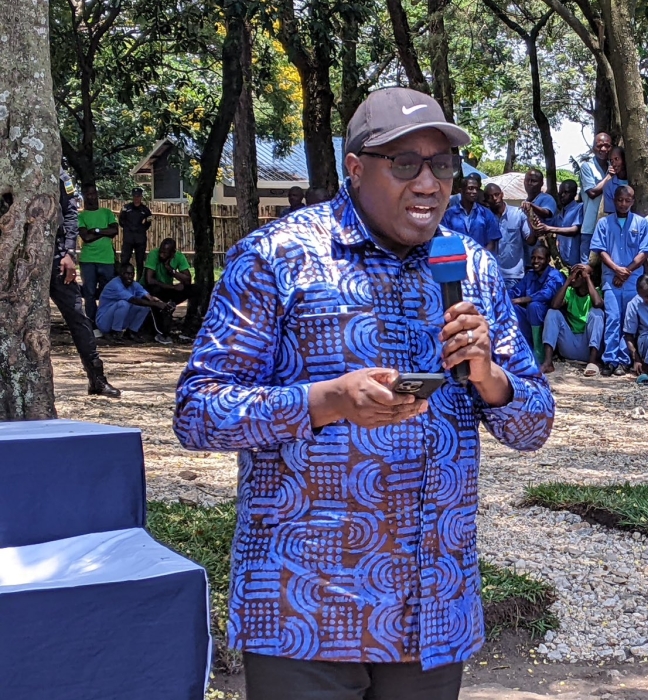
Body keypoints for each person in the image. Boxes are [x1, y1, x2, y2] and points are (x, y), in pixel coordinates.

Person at [174, 87, 554, 699]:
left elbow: (534, 426)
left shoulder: (473, 269)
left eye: (442, 164)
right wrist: (324, 403)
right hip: (308, 613)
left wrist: (490, 378)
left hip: (432, 612)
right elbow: (197, 413)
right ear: (355, 168)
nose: (429, 182)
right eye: (406, 163)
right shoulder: (278, 258)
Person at [50, 167, 120, 397]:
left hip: (56, 257)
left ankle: (97, 378)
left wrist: (69, 252)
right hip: (17, 259)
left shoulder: (59, 174)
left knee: (78, 317)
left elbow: (70, 214)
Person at [591, 185, 648, 375]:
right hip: (611, 278)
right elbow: (601, 250)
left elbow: (645, 252)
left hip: (633, 280)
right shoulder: (604, 223)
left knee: (629, 320)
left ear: (633, 202)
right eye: (620, 200)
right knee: (613, 317)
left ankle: (623, 359)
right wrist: (616, 270)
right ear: (614, 201)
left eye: (628, 200)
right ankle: (609, 359)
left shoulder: (641, 223)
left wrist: (626, 271)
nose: (624, 204)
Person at [541, 263, 604, 377]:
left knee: (597, 313)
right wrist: (568, 281)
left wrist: (587, 278)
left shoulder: (596, 292)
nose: (574, 277)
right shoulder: (570, 292)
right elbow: (554, 305)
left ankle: (592, 362)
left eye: (578, 275)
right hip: (570, 345)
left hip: (589, 346)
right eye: (572, 274)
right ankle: (548, 362)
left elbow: (598, 303)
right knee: (552, 313)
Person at [509, 244, 564, 357]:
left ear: (548, 260)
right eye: (533, 258)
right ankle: (524, 346)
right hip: (532, 317)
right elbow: (516, 290)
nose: (535, 261)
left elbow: (546, 294)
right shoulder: (530, 275)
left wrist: (523, 299)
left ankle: (540, 351)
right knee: (512, 307)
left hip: (550, 320)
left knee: (534, 306)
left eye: (540, 258)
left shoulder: (555, 275)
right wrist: (503, 297)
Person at [95, 263, 173, 344]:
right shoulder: (115, 285)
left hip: (118, 318)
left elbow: (147, 296)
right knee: (123, 304)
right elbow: (134, 300)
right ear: (121, 274)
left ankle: (131, 332)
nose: (130, 277)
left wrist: (160, 302)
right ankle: (115, 333)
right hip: (104, 321)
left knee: (145, 307)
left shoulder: (133, 284)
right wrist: (157, 305)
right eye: (127, 274)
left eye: (132, 274)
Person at [78, 183, 119, 322]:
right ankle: (92, 322)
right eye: (88, 194)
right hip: (88, 259)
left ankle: (104, 320)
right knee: (89, 292)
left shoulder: (107, 213)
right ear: (84, 196)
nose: (91, 196)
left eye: (93, 193)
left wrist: (96, 230)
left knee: (106, 292)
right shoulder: (81, 216)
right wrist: (104, 232)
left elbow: (115, 231)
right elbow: (86, 238)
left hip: (107, 259)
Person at [484, 182, 531, 286]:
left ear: (502, 194)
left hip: (513, 274)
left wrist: (533, 223)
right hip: (491, 274)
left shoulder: (518, 213)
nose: (495, 198)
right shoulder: (483, 217)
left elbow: (530, 240)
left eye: (497, 194)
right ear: (486, 200)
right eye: (490, 197)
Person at [143, 237, 191, 336]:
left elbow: (187, 280)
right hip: (153, 289)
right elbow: (149, 280)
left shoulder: (179, 257)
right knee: (155, 289)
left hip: (167, 289)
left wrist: (171, 271)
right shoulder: (153, 254)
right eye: (161, 251)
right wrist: (172, 287)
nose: (161, 255)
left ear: (172, 254)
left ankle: (191, 323)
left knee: (193, 289)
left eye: (165, 253)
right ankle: (159, 329)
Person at [440, 173, 500, 252]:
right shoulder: (449, 215)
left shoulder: (486, 214)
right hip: (457, 261)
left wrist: (480, 259)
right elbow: (444, 241)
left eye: (477, 189)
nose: (474, 192)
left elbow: (492, 242)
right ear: (461, 190)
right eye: (470, 188)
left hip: (481, 261)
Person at [532, 180, 584, 265]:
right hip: (563, 262)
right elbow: (549, 224)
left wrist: (549, 228)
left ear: (574, 193)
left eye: (566, 192)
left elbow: (574, 230)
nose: (562, 195)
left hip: (577, 262)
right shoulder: (560, 214)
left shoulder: (579, 208)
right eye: (560, 193)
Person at [579, 132, 612, 255]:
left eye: (607, 146)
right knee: (587, 268)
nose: (603, 149)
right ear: (593, 148)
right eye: (599, 146)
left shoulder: (613, 166)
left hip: (608, 228)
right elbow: (592, 192)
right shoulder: (587, 167)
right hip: (590, 228)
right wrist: (609, 177)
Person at [118, 187, 153, 280]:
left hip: (140, 239)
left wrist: (141, 229)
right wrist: (127, 228)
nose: (136, 198)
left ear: (141, 197)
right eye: (134, 196)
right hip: (128, 239)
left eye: (138, 196)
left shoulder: (145, 209)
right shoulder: (126, 208)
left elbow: (149, 221)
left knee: (140, 261)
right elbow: (121, 220)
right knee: (125, 260)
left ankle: (139, 281)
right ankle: (123, 279)